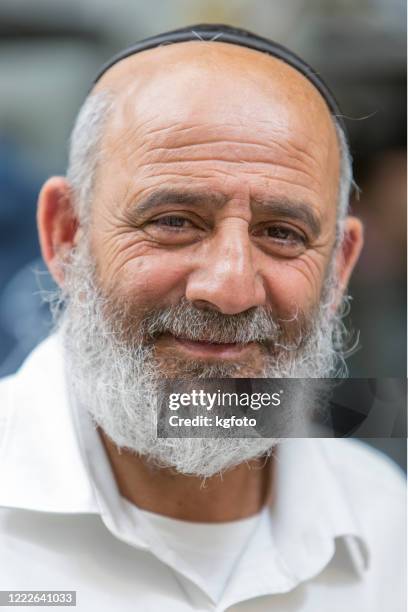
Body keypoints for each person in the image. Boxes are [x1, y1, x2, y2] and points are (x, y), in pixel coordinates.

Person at [0, 24, 405, 612]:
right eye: (174, 221)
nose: (230, 289)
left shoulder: (385, 522)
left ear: (338, 269)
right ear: (66, 236)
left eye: (281, 233)